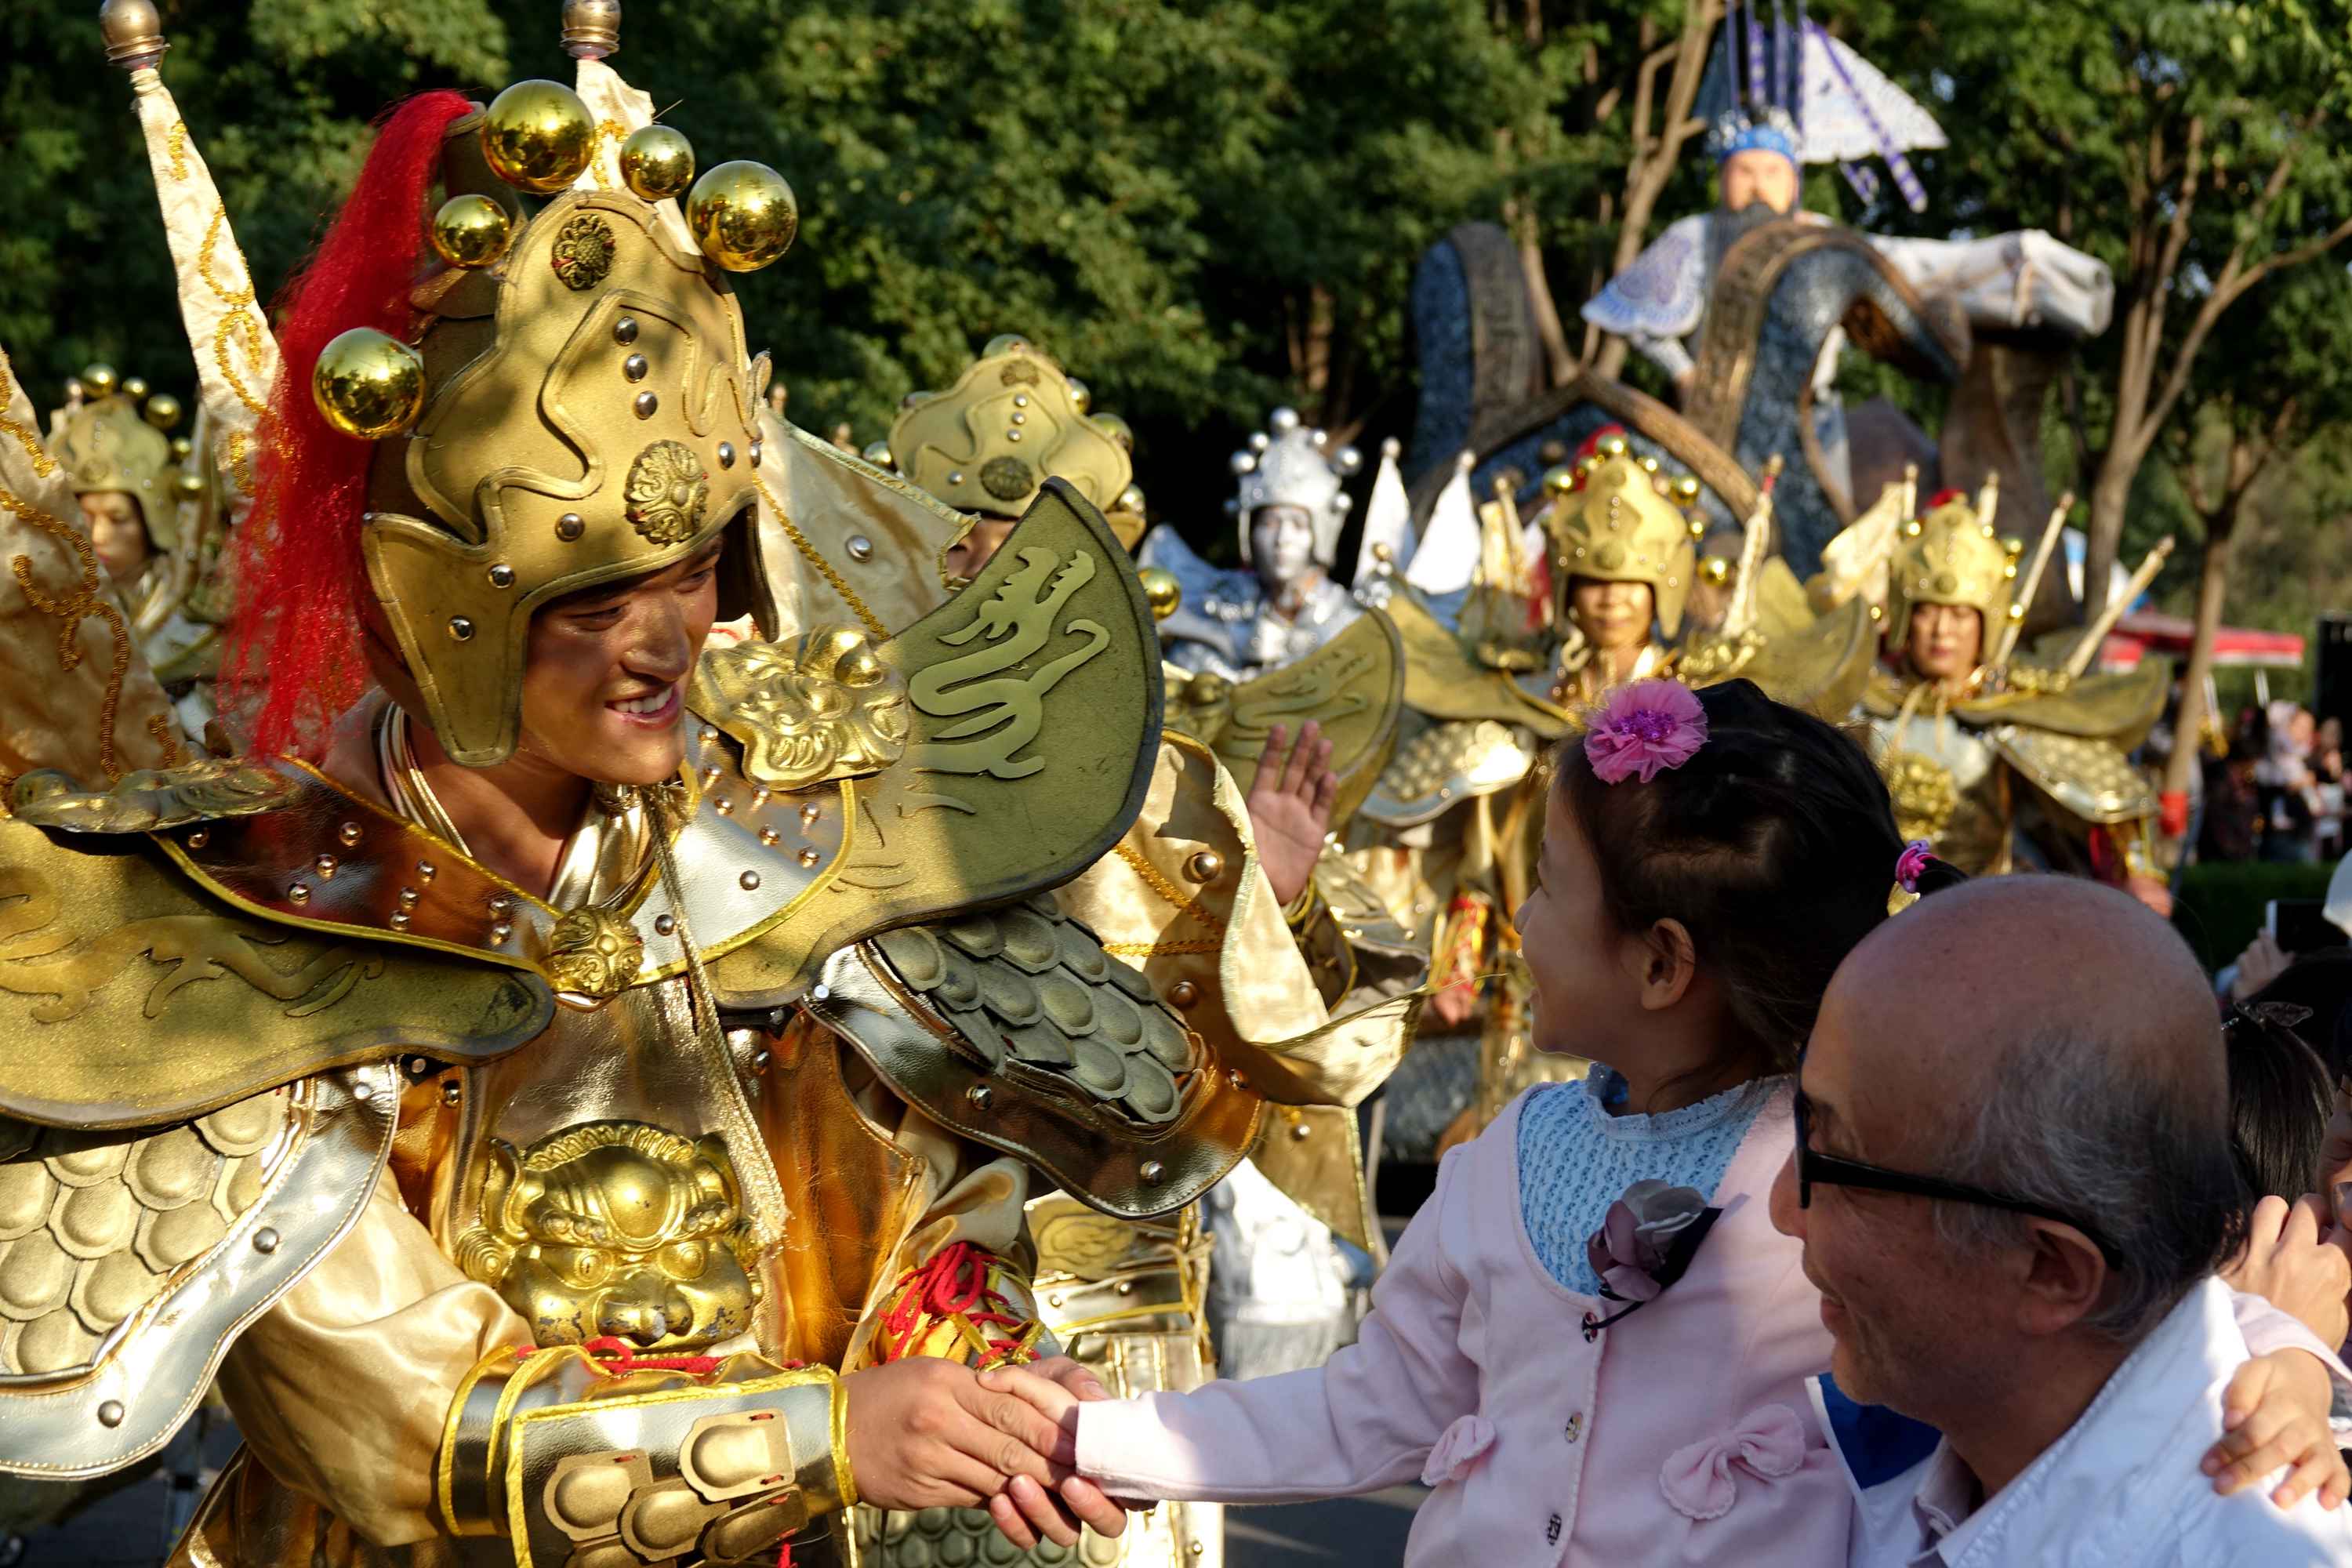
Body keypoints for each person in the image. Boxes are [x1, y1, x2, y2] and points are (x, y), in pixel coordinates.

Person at [0, 23, 1312, 1559]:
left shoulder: (796, 830)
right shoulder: (253, 912)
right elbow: (405, 1429)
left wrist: (982, 1380)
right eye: (599, 598)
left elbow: (934, 1214)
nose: (668, 641)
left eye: (693, 573)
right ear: (447, 608)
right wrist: (829, 1437)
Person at [1777, 876, 2352, 1566]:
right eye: (1802, 1123)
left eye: (1836, 1164)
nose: (1782, 1210)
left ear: (2052, 1270)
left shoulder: (2246, 1545)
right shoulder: (1913, 1450)